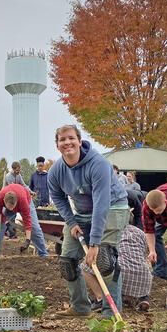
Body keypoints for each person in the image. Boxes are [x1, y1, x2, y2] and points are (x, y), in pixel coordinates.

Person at [48, 125, 129, 318]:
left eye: (71, 138)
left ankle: (111, 312)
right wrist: (71, 221)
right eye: (62, 140)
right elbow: (58, 198)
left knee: (104, 259)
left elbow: (102, 203)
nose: (67, 142)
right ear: (58, 145)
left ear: (79, 141)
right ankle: (80, 307)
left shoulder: (98, 164)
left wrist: (94, 243)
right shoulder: (55, 171)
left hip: (112, 207)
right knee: (67, 260)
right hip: (82, 213)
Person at [81, 223, 152, 312]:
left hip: (120, 271)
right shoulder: (140, 232)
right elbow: (143, 253)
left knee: (85, 266)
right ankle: (142, 298)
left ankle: (101, 299)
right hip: (143, 276)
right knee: (140, 266)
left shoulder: (109, 230)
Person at [0, 183, 49, 258]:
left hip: (25, 198)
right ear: (4, 201)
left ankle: (43, 254)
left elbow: (28, 222)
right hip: (11, 199)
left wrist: (27, 240)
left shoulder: (22, 201)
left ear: (16, 202)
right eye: (9, 208)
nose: (11, 210)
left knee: (35, 228)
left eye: (12, 208)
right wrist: (7, 223)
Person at [2, 161, 28, 239]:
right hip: (8, 199)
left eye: (19, 170)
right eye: (17, 170)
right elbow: (13, 189)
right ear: (13, 169)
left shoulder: (18, 175)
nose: (18, 172)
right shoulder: (8, 176)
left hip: (14, 199)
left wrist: (29, 191)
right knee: (10, 216)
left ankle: (8, 233)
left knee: (12, 216)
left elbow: (23, 185)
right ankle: (10, 234)